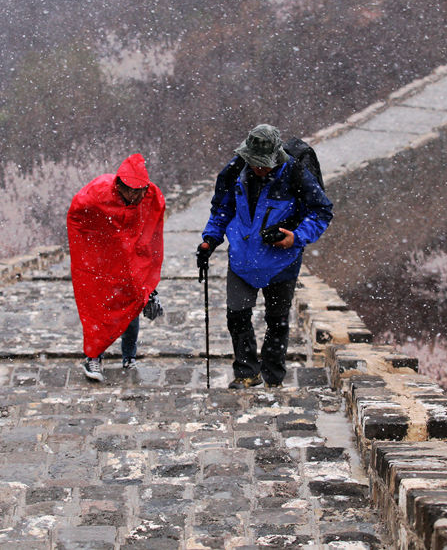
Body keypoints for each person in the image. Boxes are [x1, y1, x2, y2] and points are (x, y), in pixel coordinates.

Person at [196, 124, 333, 389]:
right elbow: (221, 209)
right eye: (255, 163)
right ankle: (247, 372)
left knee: (277, 320)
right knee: (237, 315)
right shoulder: (235, 170)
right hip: (241, 258)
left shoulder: (294, 174)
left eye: (264, 164)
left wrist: (296, 237)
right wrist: (209, 240)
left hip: (281, 262)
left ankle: (273, 376)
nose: (259, 169)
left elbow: (322, 212)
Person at [67, 153, 165, 382]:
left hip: (131, 258)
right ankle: (93, 357)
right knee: (98, 309)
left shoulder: (150, 197)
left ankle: (129, 356)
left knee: (131, 306)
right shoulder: (97, 193)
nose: (135, 196)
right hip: (102, 258)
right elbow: (77, 215)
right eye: (130, 190)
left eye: (139, 190)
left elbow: (152, 228)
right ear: (119, 185)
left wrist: (148, 280)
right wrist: (89, 245)